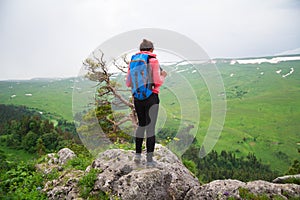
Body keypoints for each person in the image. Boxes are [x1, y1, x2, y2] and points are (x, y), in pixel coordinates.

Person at [126, 39, 167, 166]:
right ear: (152, 50)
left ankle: (137, 156)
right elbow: (157, 82)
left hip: (137, 97)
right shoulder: (153, 60)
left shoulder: (133, 61)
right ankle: (149, 161)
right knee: (150, 128)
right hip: (151, 97)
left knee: (141, 125)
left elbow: (128, 83)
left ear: (140, 49)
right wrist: (163, 76)